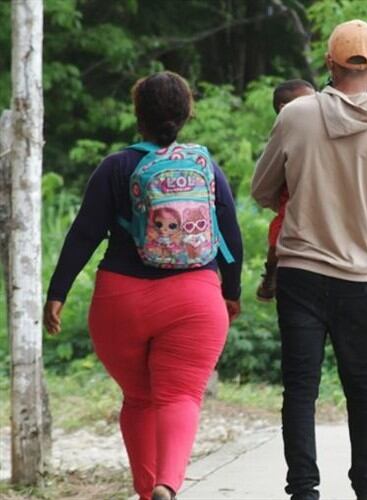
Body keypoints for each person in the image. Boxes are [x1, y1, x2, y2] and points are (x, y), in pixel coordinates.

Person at [43, 71, 243, 500]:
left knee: (138, 397)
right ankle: (168, 483)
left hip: (122, 299)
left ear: (138, 115)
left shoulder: (116, 167)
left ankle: (147, 492)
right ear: (187, 113)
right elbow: (231, 236)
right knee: (181, 396)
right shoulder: (205, 167)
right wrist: (232, 291)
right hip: (195, 298)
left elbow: (83, 234)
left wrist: (57, 292)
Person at [251, 19, 367, 500]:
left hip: (300, 273)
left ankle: (303, 490)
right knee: (363, 386)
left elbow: (263, 189)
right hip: (361, 277)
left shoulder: (296, 115)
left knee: (300, 389)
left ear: (329, 62)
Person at [256, 79, 316, 301]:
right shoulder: (286, 131)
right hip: (291, 209)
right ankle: (270, 273)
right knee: (279, 234)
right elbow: (262, 187)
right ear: (284, 110)